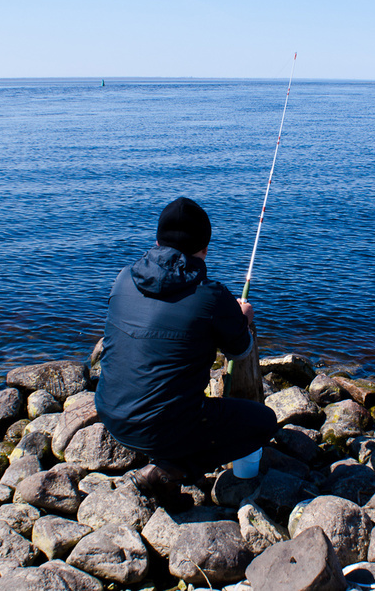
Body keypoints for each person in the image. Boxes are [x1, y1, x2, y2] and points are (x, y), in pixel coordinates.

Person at [95, 197, 278, 494]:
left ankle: (165, 455)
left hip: (110, 413)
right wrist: (241, 318)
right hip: (160, 429)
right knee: (264, 422)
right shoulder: (212, 296)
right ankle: (169, 469)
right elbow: (240, 350)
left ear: (157, 240)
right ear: (205, 249)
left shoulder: (123, 277)